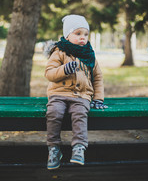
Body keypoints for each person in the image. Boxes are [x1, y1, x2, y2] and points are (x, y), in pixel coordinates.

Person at [45, 14, 107, 170]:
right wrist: (64, 69)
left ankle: (79, 147)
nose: (82, 38)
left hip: (81, 95)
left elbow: (98, 78)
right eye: (78, 33)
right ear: (67, 35)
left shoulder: (89, 55)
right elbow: (49, 73)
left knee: (80, 114)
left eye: (85, 34)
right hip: (59, 93)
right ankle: (53, 148)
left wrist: (98, 98)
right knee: (54, 113)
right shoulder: (60, 52)